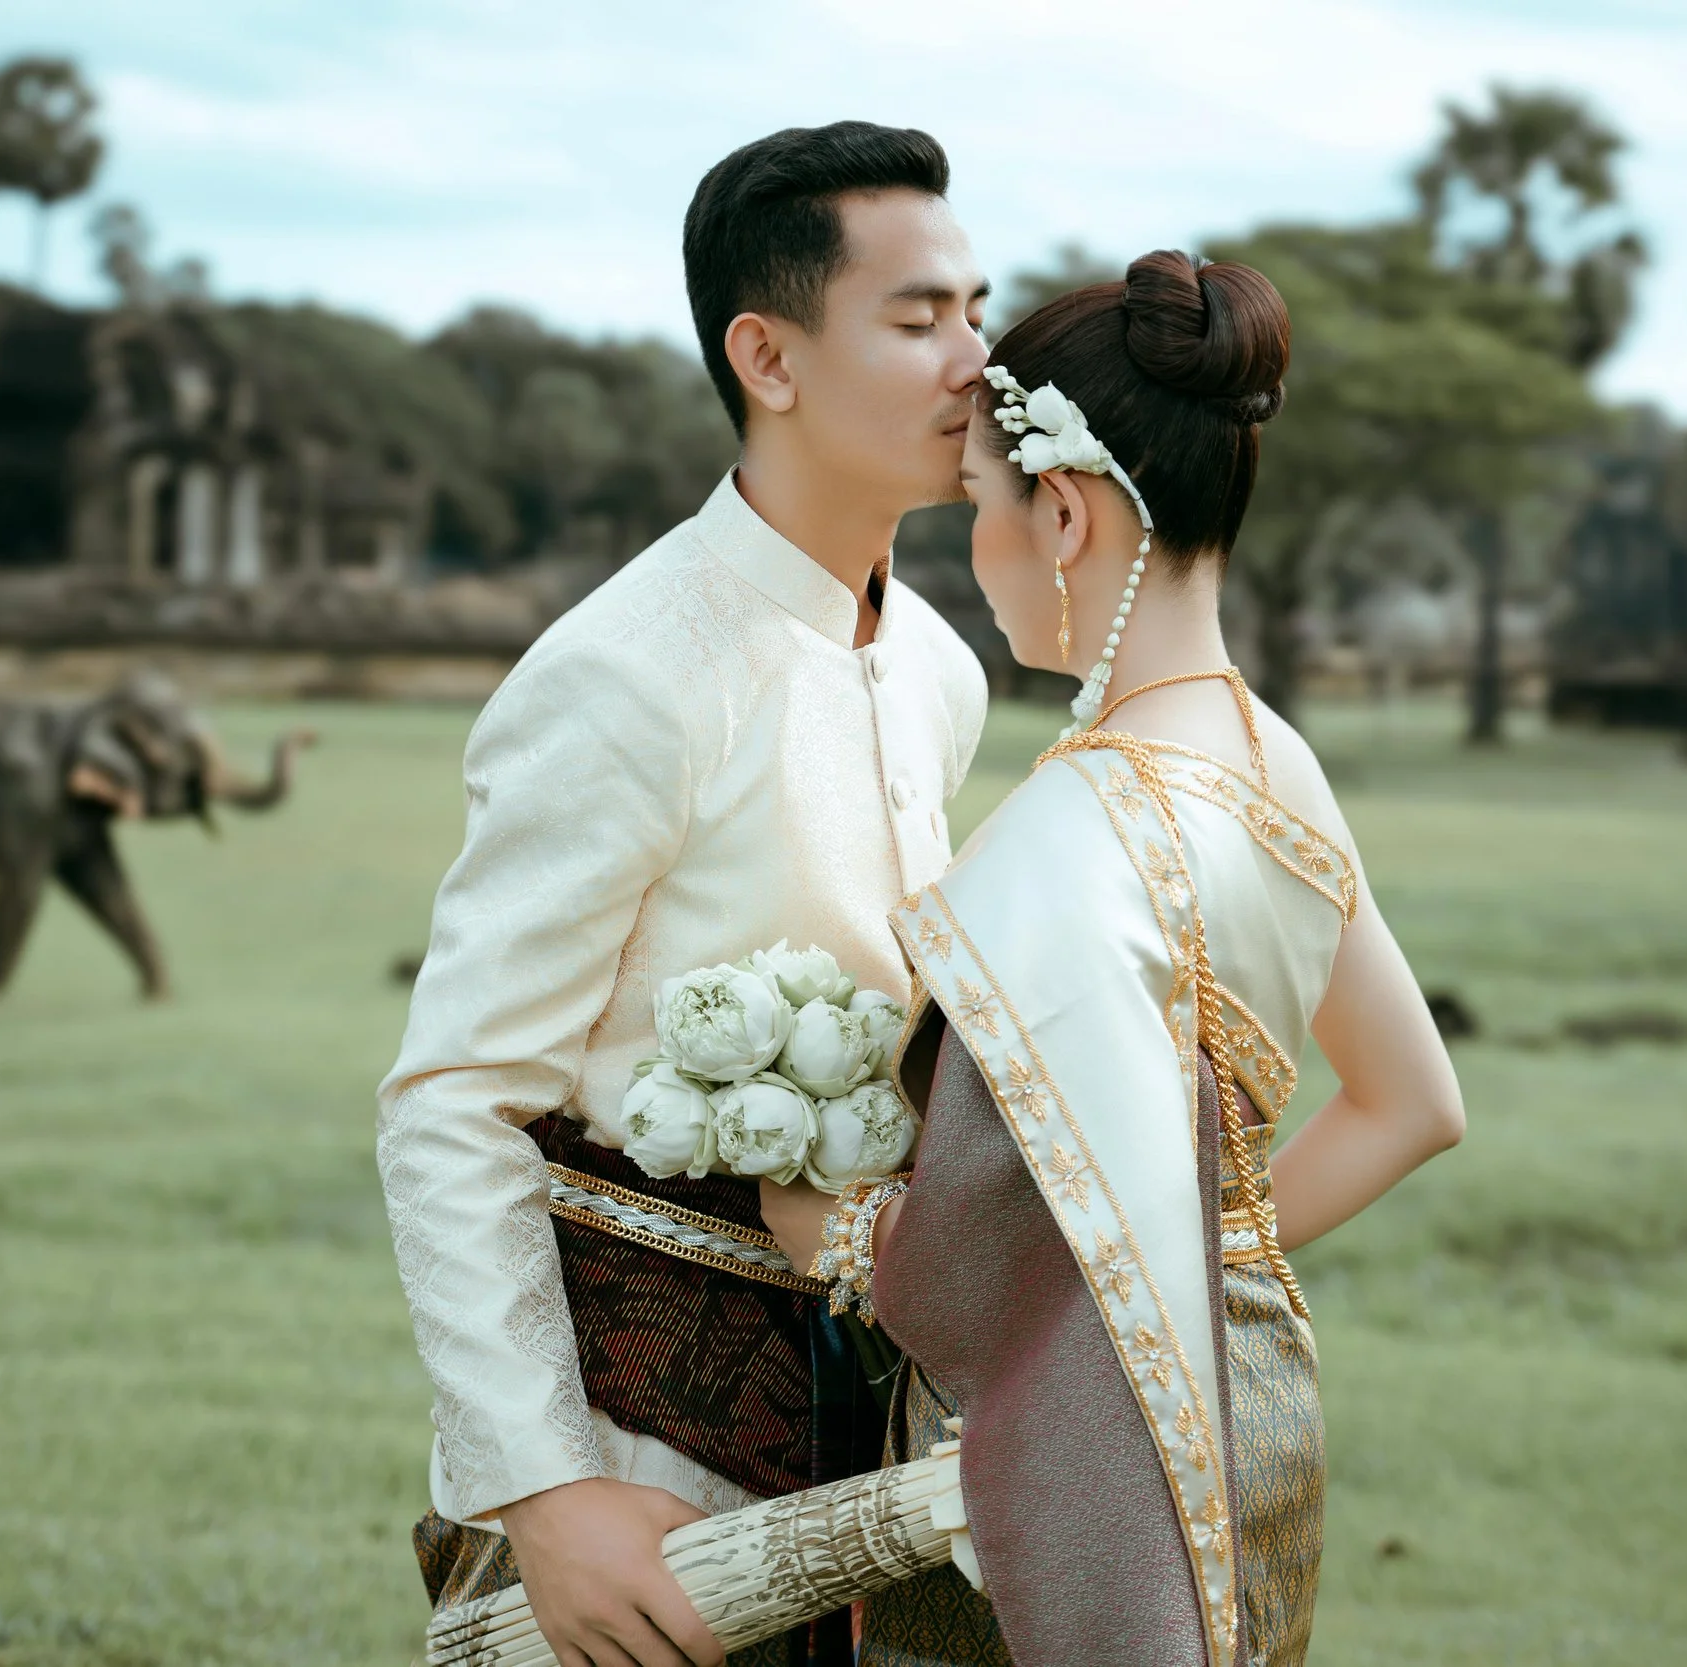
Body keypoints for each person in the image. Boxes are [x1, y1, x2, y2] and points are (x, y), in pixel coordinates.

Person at [759, 251, 1468, 1665]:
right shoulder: (1279, 764)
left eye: (980, 504)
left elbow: (963, 1268)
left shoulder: (1080, 827)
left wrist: (814, 1224)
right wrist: (1173, 1263)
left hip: (1067, 1463)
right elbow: (1413, 1105)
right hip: (1248, 1398)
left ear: (1066, 509)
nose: (974, 548)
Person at [377, 122, 990, 1667]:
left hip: (884, 1430)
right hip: (639, 1430)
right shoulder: (624, 673)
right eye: (918, 320)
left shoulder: (939, 669)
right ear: (767, 357)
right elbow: (455, 1098)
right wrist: (548, 1489)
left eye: (977, 310)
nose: (971, 359)